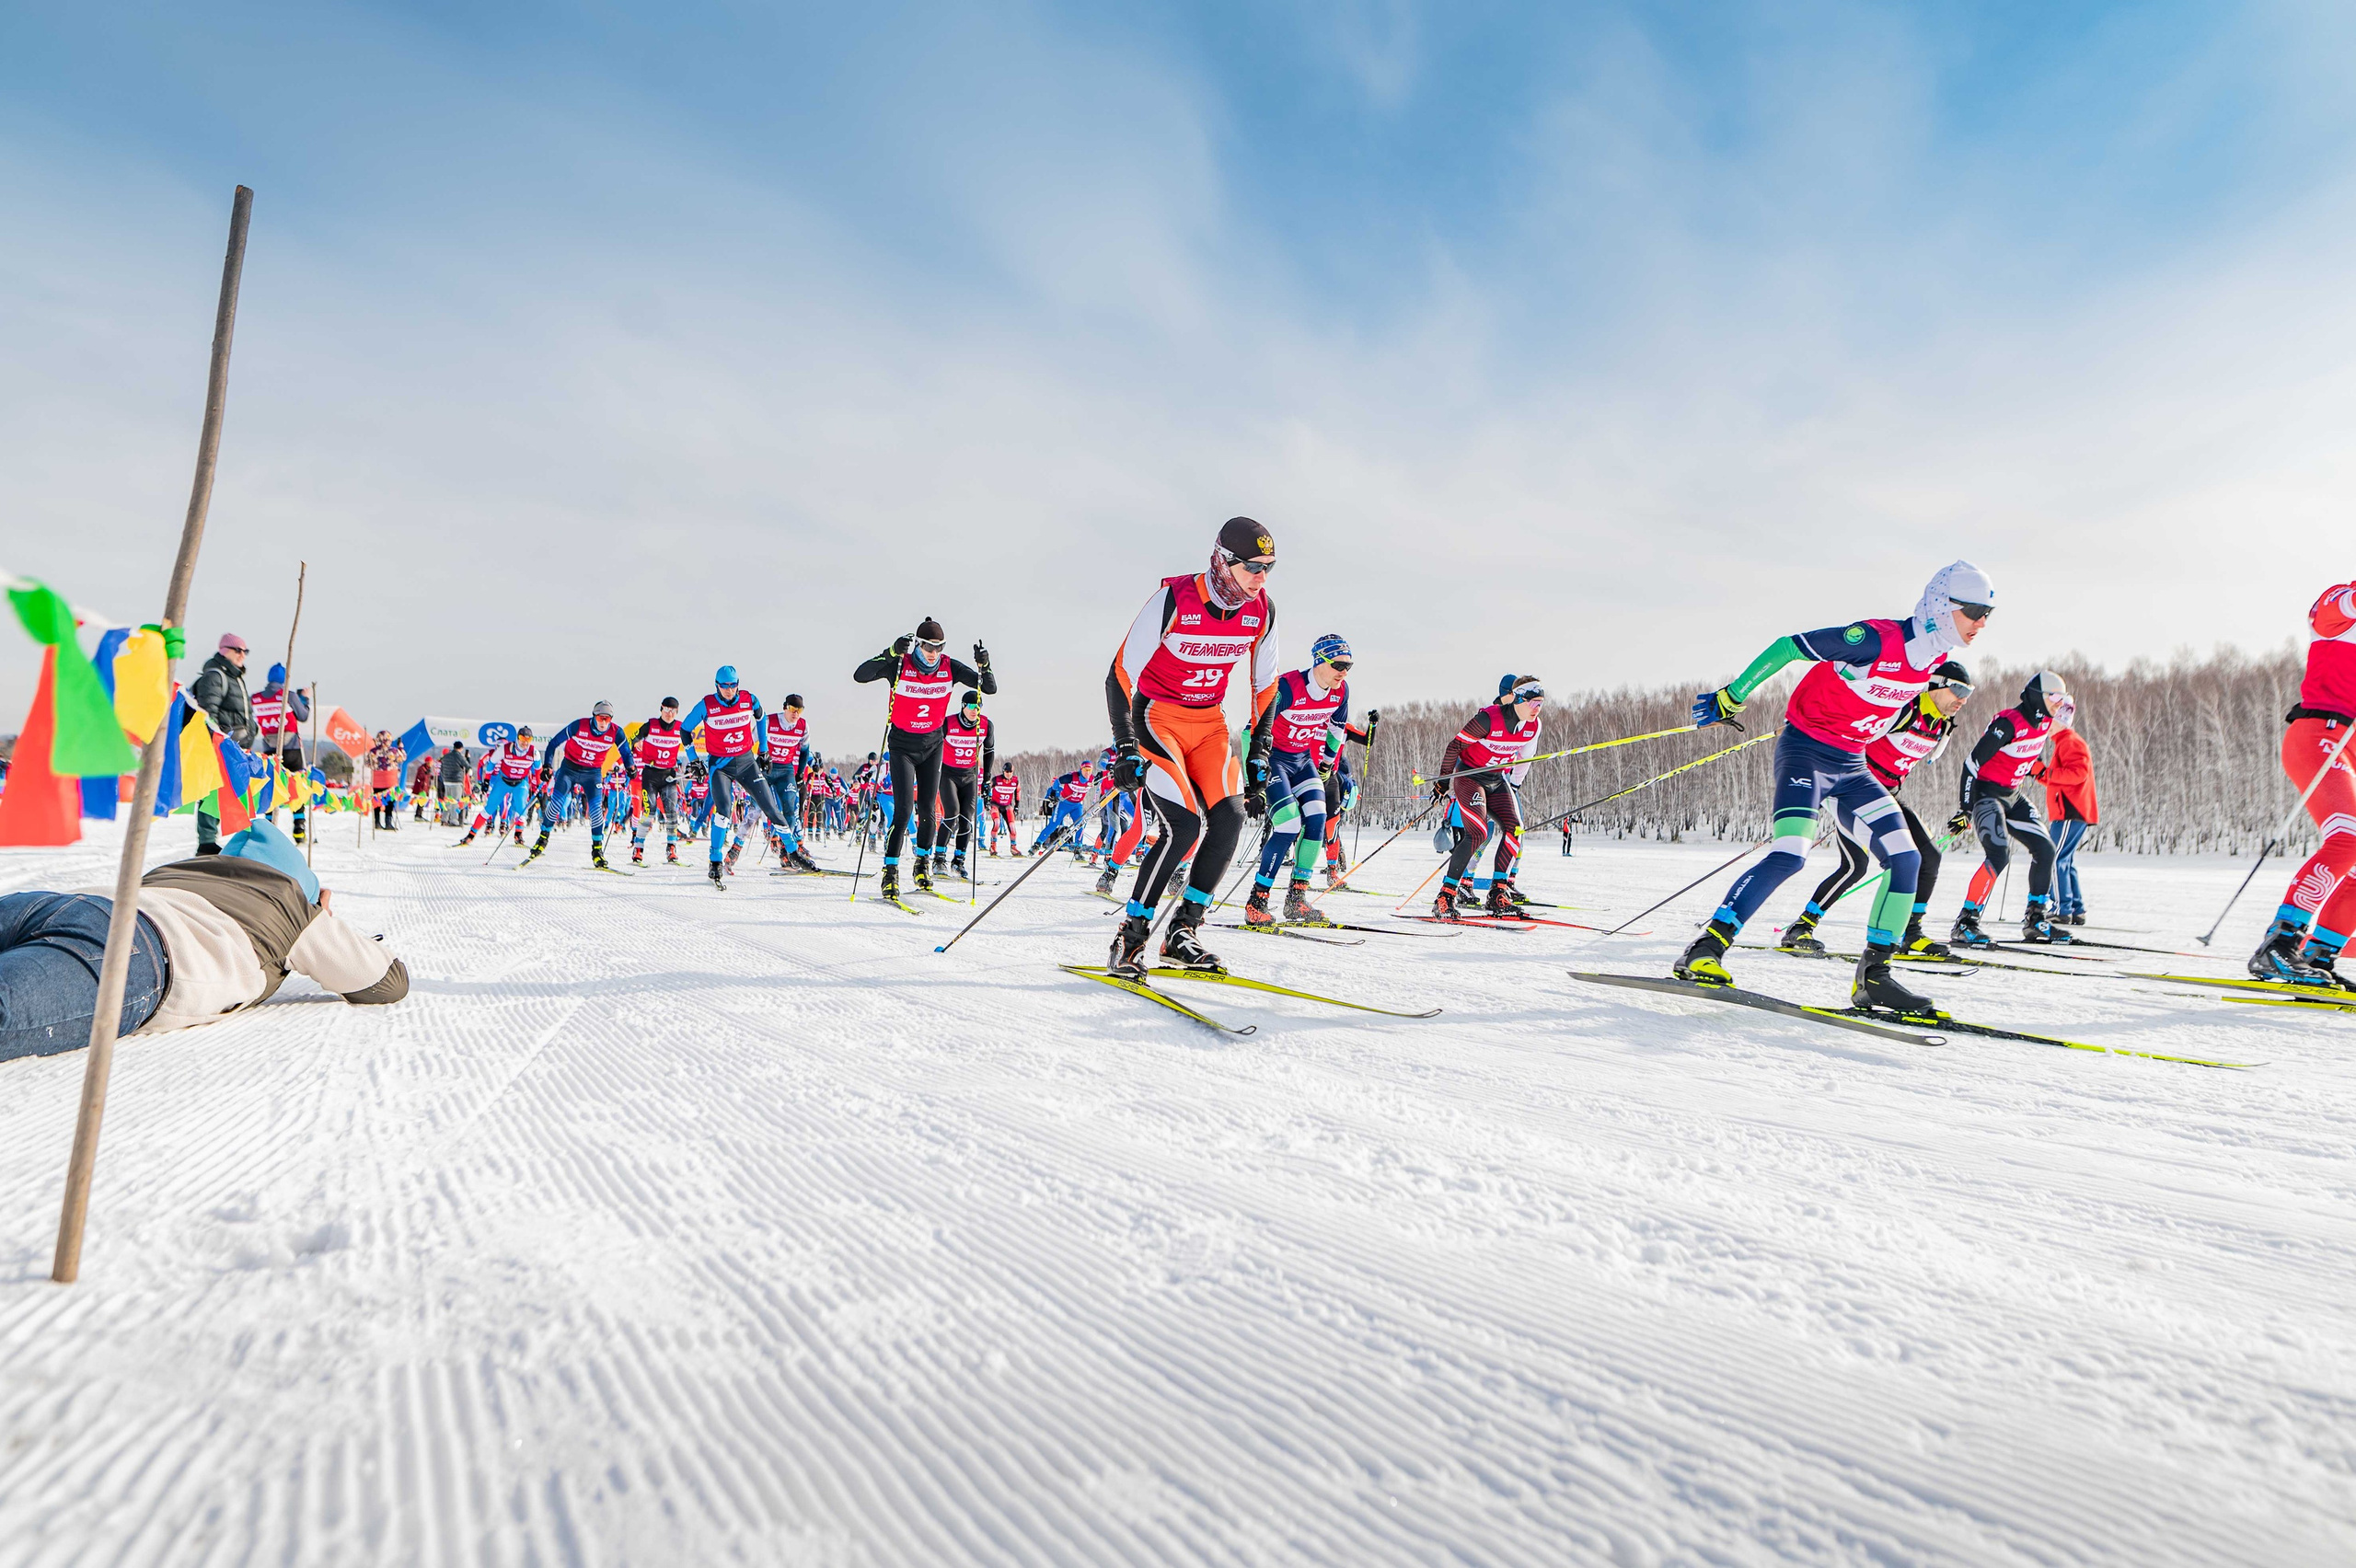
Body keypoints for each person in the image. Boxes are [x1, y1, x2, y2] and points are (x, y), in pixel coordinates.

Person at [1680, 560, 1995, 1016]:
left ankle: (1875, 979)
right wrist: (1734, 694)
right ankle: (1705, 948)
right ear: (1943, 608)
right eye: (1975, 611)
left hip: (1852, 765)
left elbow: (1908, 705)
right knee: (1791, 854)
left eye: (1989, 614)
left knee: (1906, 859)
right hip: (1806, 752)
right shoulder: (1876, 639)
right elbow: (1789, 648)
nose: (1982, 623)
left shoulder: (1936, 662)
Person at [0, 820, 407, 1065]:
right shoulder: (291, 902)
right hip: (140, 946)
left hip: (63, 902)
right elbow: (385, 982)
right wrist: (319, 915)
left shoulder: (181, 867)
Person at [1104, 516, 1280, 976]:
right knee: (1182, 826)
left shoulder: (1262, 611)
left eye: (1270, 568)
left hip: (1208, 725)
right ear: (1223, 562)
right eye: (1253, 567)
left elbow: (1266, 688)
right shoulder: (1175, 599)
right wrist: (1124, 746)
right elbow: (1120, 674)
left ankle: (1183, 932)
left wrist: (1259, 752)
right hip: (1157, 719)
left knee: (1228, 818)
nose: (1261, 578)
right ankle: (1131, 936)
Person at [1779, 661, 1972, 958]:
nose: (1963, 699)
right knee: (1860, 865)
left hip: (1887, 797)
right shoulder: (1906, 710)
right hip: (1850, 792)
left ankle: (1911, 933)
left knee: (1927, 857)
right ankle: (1802, 929)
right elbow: (1853, 725)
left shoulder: (1942, 724)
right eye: (1958, 689)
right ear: (1935, 684)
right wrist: (1808, 733)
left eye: (1968, 692)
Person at [2249, 581, 2356, 986]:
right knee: (2348, 839)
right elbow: (2333, 610)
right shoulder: (2340, 604)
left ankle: (2319, 954)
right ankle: (2279, 943)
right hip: (2321, 733)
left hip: (2349, 743)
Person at [852, 620, 997, 902]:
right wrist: (890, 652)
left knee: (929, 812)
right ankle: (890, 871)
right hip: (902, 746)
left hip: (932, 746)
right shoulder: (900, 664)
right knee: (904, 810)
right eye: (929, 646)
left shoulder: (949, 667)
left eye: (939, 647)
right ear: (918, 644)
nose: (934, 652)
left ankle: (922, 864)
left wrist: (985, 664)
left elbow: (988, 688)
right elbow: (861, 675)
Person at [1948, 673, 2075, 947]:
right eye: (2054, 697)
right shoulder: (2009, 723)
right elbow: (1971, 763)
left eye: (2062, 699)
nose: (2058, 704)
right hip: (1986, 795)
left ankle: (2035, 920)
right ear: (2037, 696)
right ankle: (1966, 922)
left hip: (2012, 796)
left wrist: (2039, 770)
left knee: (2046, 849)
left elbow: (2028, 756)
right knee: (1999, 853)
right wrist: (1965, 809)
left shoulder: (2045, 723)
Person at [1242, 633, 1358, 929]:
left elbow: (1336, 729)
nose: (1343, 672)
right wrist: (1253, 784)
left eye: (1349, 666)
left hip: (1302, 760)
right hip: (1273, 759)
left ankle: (1296, 900)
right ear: (1320, 662)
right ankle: (1257, 901)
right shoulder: (1288, 687)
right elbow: (1249, 733)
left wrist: (1327, 765)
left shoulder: (1340, 692)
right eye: (1339, 665)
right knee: (1289, 823)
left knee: (1318, 820)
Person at [1429, 676, 1544, 920]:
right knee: (1479, 832)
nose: (1537, 709)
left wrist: (1514, 784)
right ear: (1519, 699)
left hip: (1496, 780)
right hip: (1470, 777)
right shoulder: (1489, 719)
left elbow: (1524, 759)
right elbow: (1454, 746)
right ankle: (1446, 895)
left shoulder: (1533, 726)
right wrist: (1442, 782)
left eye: (1541, 704)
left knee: (1516, 830)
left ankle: (1498, 895)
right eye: (1533, 703)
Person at [681, 667, 803, 888]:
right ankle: (715, 861)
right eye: (724, 685)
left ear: (738, 683)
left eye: (732, 685)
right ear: (717, 685)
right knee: (724, 811)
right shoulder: (707, 705)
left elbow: (761, 717)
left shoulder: (749, 699)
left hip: (747, 763)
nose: (729, 690)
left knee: (771, 807)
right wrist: (693, 759)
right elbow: (685, 729)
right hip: (721, 766)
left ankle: (793, 853)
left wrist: (763, 750)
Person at [526, 702, 635, 869]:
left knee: (596, 811)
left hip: (592, 774)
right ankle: (543, 838)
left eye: (607, 719)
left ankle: (597, 852)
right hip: (570, 768)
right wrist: (548, 765)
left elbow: (626, 752)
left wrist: (630, 767)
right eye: (600, 718)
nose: (603, 722)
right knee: (556, 804)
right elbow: (554, 743)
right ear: (594, 716)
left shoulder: (616, 732)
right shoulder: (579, 725)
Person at [188, 633, 253, 853]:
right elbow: (208, 711)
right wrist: (220, 738)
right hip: (218, 745)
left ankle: (219, 839)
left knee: (230, 791)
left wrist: (251, 733)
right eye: (238, 650)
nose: (243, 655)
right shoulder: (215, 676)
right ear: (224, 650)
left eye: (245, 651)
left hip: (235, 746)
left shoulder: (236, 678)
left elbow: (243, 713)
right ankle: (206, 842)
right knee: (211, 791)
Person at [2035, 712, 2099, 926]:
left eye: (2050, 722)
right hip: (2071, 811)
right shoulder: (2063, 742)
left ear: (2060, 723)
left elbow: (2077, 774)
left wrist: (2045, 771)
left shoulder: (2070, 741)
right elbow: (2059, 779)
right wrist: (2039, 773)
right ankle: (2075, 909)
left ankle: (2062, 909)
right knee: (2065, 860)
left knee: (2054, 858)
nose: (2046, 726)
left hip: (2070, 811)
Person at [936, 690, 996, 881]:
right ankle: (939, 858)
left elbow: (989, 751)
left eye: (977, 707)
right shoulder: (949, 722)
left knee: (967, 818)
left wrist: (987, 779)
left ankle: (958, 861)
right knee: (951, 813)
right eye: (970, 706)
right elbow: (932, 745)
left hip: (970, 776)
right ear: (963, 706)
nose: (974, 711)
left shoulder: (986, 725)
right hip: (948, 774)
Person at [248, 663, 312, 842]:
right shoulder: (288, 695)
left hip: (270, 750)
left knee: (270, 789)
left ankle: (269, 828)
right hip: (292, 748)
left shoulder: (256, 698)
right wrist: (305, 700)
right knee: (297, 787)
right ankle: (299, 829)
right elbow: (303, 716)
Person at [762, 695, 825, 873]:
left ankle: (786, 850)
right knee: (768, 809)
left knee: (792, 810)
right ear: (785, 708)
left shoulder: (803, 726)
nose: (796, 714)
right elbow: (753, 740)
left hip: (787, 771)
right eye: (793, 709)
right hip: (768, 769)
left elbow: (806, 752)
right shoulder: (770, 721)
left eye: (800, 710)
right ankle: (737, 847)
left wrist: (800, 773)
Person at [459, 727, 537, 845]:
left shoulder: (534, 752)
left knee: (521, 808)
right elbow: (490, 764)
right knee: (489, 808)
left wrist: (540, 786)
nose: (525, 742)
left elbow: (538, 770)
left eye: (528, 739)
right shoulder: (504, 749)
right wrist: (485, 781)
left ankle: (518, 835)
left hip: (520, 783)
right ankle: (471, 835)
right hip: (503, 782)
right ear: (517, 738)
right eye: (522, 739)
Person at [1034, 760, 1100, 854]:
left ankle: (1078, 849)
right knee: (1053, 824)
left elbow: (1100, 780)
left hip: (1077, 806)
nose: (1088, 772)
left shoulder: (1092, 779)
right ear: (1081, 770)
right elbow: (1058, 781)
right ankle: (1037, 844)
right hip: (1064, 804)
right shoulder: (1071, 777)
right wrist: (1052, 793)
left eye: (1090, 770)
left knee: (1080, 825)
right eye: (1085, 770)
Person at [369, 732, 403, 830]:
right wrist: (400, 747)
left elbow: (367, 763)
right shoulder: (394, 751)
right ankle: (388, 823)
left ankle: (377, 822)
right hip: (390, 780)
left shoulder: (373, 752)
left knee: (377, 801)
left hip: (377, 780)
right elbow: (403, 757)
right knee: (389, 802)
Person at [986, 764, 1022, 855]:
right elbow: (987, 788)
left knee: (1012, 827)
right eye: (1007, 772)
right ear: (1003, 771)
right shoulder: (997, 779)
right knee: (997, 823)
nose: (1009, 774)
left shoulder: (1015, 781)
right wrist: (986, 801)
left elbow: (1018, 793)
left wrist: (1017, 806)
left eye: (1010, 772)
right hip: (995, 805)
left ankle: (1013, 847)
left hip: (1007, 806)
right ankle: (993, 846)